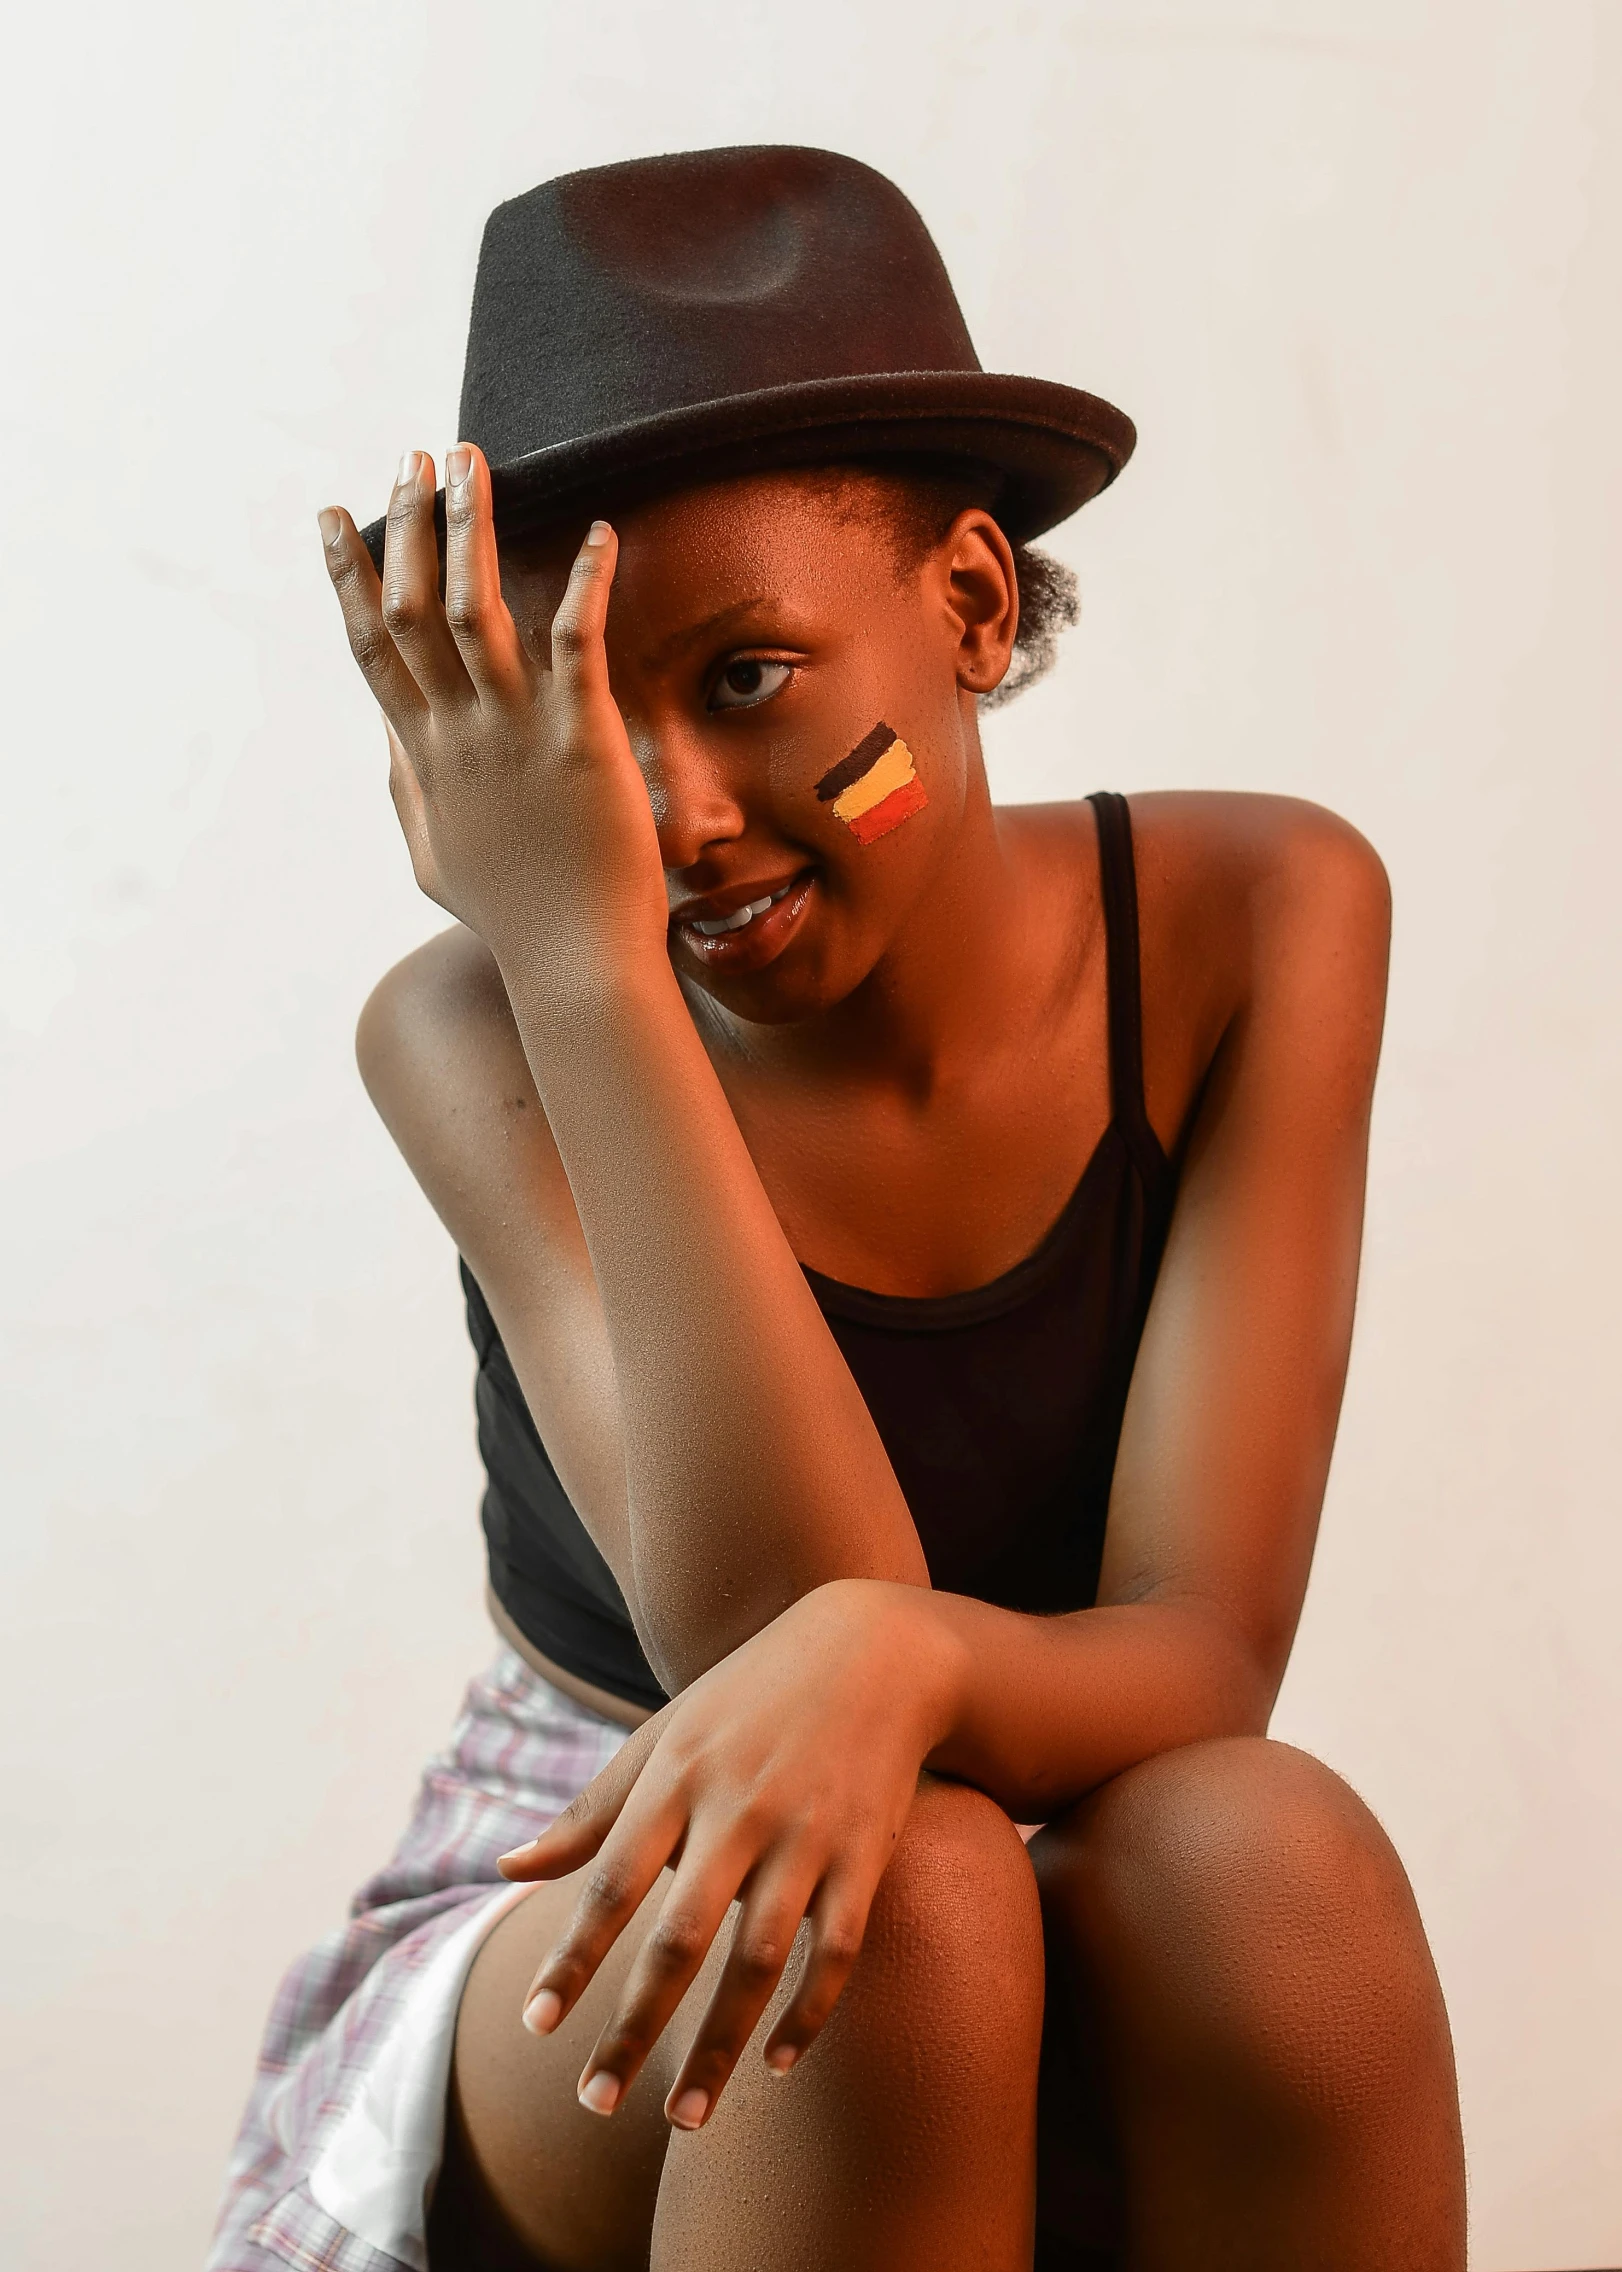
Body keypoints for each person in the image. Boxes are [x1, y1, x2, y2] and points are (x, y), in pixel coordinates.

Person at [209, 145, 1466, 2272]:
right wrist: (584, 962)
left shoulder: (1262, 916)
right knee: (894, 1910)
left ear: (970, 608)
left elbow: (1201, 1649)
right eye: (584, 724)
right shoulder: (482, 1018)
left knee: (1274, 1856)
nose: (674, 815)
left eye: (746, 676)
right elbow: (759, 1642)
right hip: (613, 1881)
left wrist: (901, 1659)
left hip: (1074, 1837)